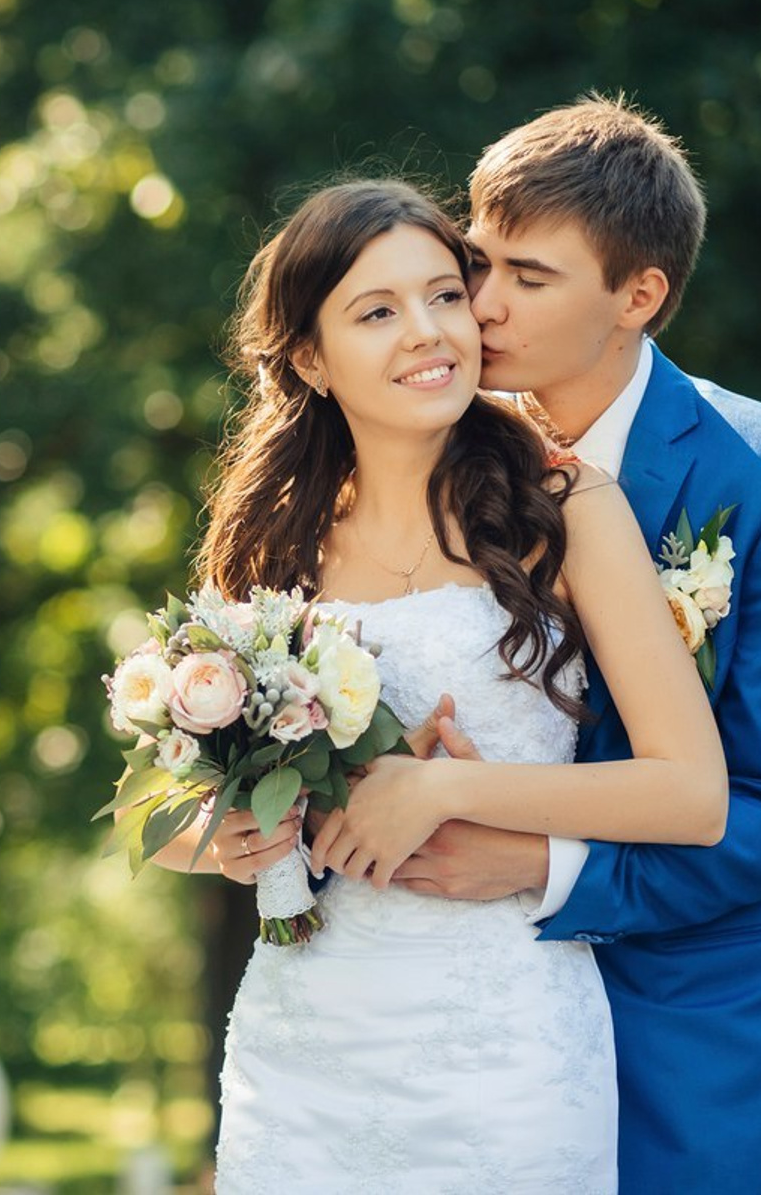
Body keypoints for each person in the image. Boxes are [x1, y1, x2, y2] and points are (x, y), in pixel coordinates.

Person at [147, 177, 725, 1192]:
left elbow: (688, 790)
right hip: (305, 1054)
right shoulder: (265, 541)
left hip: (508, 1049)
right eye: (376, 312)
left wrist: (446, 786)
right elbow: (165, 815)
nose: (429, 332)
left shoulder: (564, 502)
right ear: (310, 358)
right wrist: (227, 842)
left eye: (443, 295)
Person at [374, 94, 761, 1193]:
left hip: (683, 1030)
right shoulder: (415, 449)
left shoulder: (743, 480)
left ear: (637, 294)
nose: (478, 308)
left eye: (528, 279)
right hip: (439, 1007)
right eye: (475, 261)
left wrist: (545, 865)